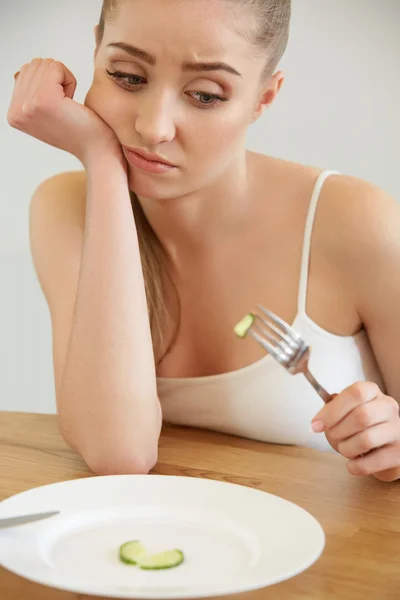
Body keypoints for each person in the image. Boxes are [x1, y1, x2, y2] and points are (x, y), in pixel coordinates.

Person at [7, 0, 400, 481]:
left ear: (263, 98)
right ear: (96, 53)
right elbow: (118, 452)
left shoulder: (358, 221)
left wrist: (389, 440)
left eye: (206, 95)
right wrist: (101, 161)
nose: (153, 127)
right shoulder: (64, 207)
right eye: (128, 76)